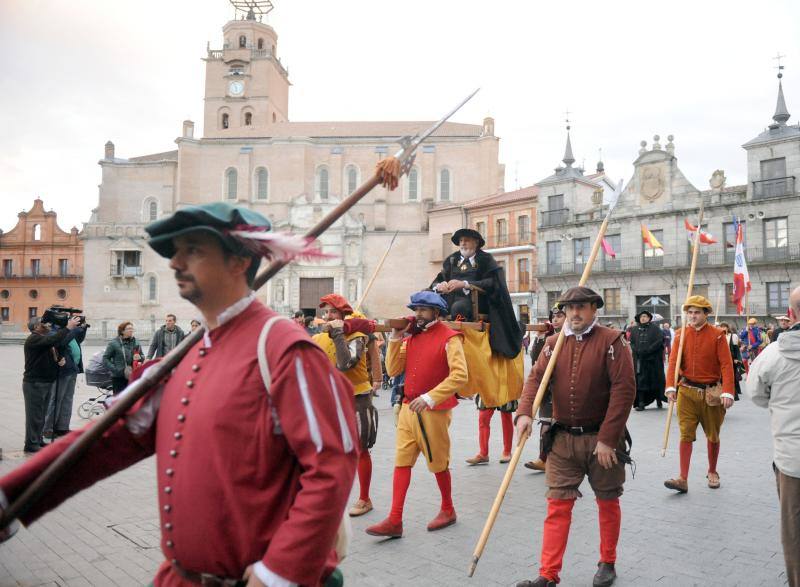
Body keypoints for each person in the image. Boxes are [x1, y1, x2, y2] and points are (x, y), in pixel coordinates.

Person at [0, 201, 358, 586]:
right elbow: (104, 439)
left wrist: (280, 572)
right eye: (176, 252)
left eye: (194, 250)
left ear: (239, 261)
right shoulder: (184, 356)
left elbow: (331, 465)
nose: (174, 263)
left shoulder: (285, 350)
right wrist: (11, 495)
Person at [515, 287, 635, 587]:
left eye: (581, 307)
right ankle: (548, 574)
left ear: (595, 309)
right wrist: (524, 412)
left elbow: (624, 391)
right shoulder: (553, 343)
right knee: (557, 506)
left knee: (607, 501)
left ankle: (607, 561)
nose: (574, 314)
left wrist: (608, 439)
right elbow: (535, 379)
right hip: (562, 440)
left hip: (602, 441)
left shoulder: (612, 341)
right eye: (569, 308)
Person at [365, 291, 467, 538]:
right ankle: (395, 519)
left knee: (438, 462)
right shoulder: (410, 338)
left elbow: (460, 375)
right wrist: (394, 339)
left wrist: (431, 397)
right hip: (408, 408)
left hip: (434, 411)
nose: (417, 314)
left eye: (422, 309)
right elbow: (393, 369)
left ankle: (448, 509)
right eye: (416, 309)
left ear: (436, 312)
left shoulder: (450, 338)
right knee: (402, 462)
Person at [746, 286, 800, 587]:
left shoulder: (774, 353)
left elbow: (756, 393)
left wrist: (778, 404)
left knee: (794, 529)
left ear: (790, 314)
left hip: (793, 458)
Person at [312, 294, 378, 518]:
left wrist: (339, 333)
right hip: (332, 400)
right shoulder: (319, 338)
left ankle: (364, 498)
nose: (328, 316)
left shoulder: (357, 336)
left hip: (358, 399)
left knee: (360, 450)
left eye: (333, 312)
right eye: (326, 312)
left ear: (343, 315)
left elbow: (345, 363)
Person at [664, 295, 735, 493]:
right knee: (685, 434)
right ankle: (682, 478)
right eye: (689, 312)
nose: (692, 316)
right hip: (686, 391)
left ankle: (712, 471)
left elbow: (727, 365)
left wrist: (728, 391)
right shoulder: (680, 334)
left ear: (706, 314)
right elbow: (673, 363)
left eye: (697, 312)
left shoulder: (718, 334)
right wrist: (670, 386)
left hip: (711, 393)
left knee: (713, 434)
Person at [431, 228, 522, 358]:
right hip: (449, 299)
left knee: (459, 308)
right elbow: (439, 280)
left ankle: (457, 339)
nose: (462, 243)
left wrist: (465, 284)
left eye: (466, 240)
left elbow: (493, 282)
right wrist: (440, 285)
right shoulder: (452, 259)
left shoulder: (485, 259)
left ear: (476, 243)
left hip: (476, 301)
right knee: (428, 303)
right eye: (461, 240)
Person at [21, 315, 81, 453]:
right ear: (36, 327)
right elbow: (54, 339)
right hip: (35, 383)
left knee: (41, 415)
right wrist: (68, 327)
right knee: (34, 415)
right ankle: (30, 444)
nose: (47, 325)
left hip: (46, 382)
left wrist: (59, 360)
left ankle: (38, 440)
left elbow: (54, 348)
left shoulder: (44, 340)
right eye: (43, 323)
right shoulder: (34, 338)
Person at [525, 305, 565, 472]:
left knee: (563, 429)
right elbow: (536, 360)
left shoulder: (572, 337)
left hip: (565, 389)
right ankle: (543, 459)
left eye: (560, 316)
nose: (555, 319)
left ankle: (560, 460)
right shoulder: (549, 338)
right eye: (553, 316)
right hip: (548, 389)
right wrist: (540, 338)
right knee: (546, 426)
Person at [44, 311, 88, 440]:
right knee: (56, 400)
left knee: (68, 400)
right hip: (61, 371)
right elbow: (61, 343)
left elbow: (78, 339)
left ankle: (62, 427)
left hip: (72, 369)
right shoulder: (53, 331)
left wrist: (83, 329)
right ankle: (48, 429)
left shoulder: (67, 330)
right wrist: (71, 328)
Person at [629, 310, 665, 411]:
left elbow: (659, 341)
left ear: (649, 318)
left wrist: (648, 350)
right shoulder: (634, 330)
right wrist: (636, 350)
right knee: (640, 381)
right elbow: (631, 342)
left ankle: (659, 399)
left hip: (653, 361)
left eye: (645, 316)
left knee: (655, 380)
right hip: (640, 361)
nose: (643, 318)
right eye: (641, 317)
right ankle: (641, 402)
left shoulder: (656, 329)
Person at [102, 322, 143, 394]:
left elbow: (142, 356)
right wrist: (115, 370)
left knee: (131, 399)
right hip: (119, 377)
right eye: (129, 329)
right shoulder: (114, 343)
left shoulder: (136, 342)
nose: (131, 330)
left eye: (132, 328)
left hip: (133, 375)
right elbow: (105, 359)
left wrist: (140, 357)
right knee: (119, 400)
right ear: (122, 331)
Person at [719, 322, 744, 400]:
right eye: (721, 327)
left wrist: (737, 359)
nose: (723, 328)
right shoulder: (718, 336)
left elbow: (736, 350)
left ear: (727, 328)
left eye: (724, 327)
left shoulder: (733, 336)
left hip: (731, 359)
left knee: (731, 376)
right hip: (721, 359)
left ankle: (733, 393)